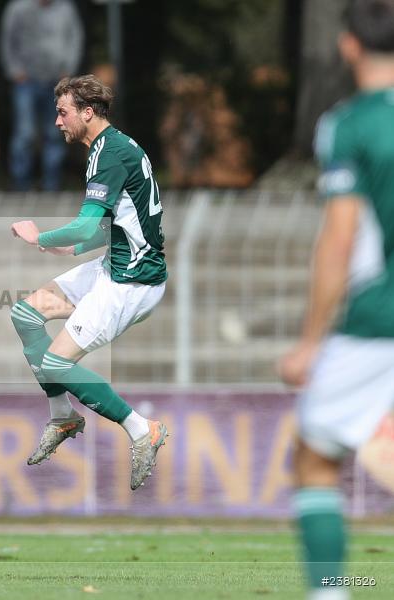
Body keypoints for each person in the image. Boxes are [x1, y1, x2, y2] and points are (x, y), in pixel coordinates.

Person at [279, 1, 394, 597]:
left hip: (379, 318)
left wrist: (309, 342)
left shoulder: (349, 124)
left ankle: (332, 591)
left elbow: (340, 240)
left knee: (315, 456)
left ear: (348, 44)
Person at [10, 75, 168, 490]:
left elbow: (84, 226)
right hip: (114, 265)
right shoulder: (112, 146)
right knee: (25, 314)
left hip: (132, 281)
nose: (57, 122)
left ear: (87, 112)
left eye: (63, 113)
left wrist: (40, 237)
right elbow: (118, 222)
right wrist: (75, 248)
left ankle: (142, 430)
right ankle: (63, 416)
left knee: (57, 363)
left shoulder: (108, 154)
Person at [0, 0, 84, 191]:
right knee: (25, 133)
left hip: (57, 82)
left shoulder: (66, 9)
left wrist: (68, 70)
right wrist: (14, 70)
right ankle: (21, 184)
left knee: (55, 132)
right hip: (26, 81)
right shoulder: (18, 8)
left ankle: (52, 184)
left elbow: (75, 39)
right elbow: (7, 40)